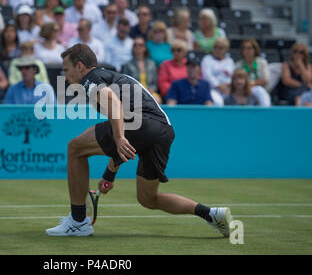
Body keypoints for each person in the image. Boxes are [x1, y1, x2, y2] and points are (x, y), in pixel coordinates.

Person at [45, 44, 231, 237]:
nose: (66, 78)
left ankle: (78, 221)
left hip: (139, 122)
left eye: (66, 71)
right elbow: (123, 135)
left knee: (75, 148)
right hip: (163, 132)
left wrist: (118, 137)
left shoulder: (91, 79)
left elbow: (113, 105)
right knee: (148, 199)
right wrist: (109, 175)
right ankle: (210, 214)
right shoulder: (111, 77)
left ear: (80, 67)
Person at [122, 36, 161, 104]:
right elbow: (125, 84)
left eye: (140, 45)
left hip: (149, 92)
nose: (138, 47)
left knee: (157, 100)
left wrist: (151, 90)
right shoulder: (127, 65)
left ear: (145, 48)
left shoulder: (152, 64)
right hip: (133, 93)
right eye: (135, 45)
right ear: (133, 48)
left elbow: (155, 83)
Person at [235, 39, 271, 107]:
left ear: (255, 50)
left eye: (249, 48)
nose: (247, 51)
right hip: (243, 90)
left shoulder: (262, 62)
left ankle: (266, 111)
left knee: (260, 91)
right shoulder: (238, 65)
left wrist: (251, 83)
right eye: (244, 49)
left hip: (258, 88)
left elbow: (265, 80)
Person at [201, 37, 235, 106]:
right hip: (212, 89)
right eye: (215, 47)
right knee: (218, 102)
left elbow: (233, 76)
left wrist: (227, 85)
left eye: (221, 48)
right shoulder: (207, 59)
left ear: (226, 49)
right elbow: (207, 76)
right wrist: (219, 86)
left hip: (227, 88)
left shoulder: (230, 61)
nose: (217, 50)